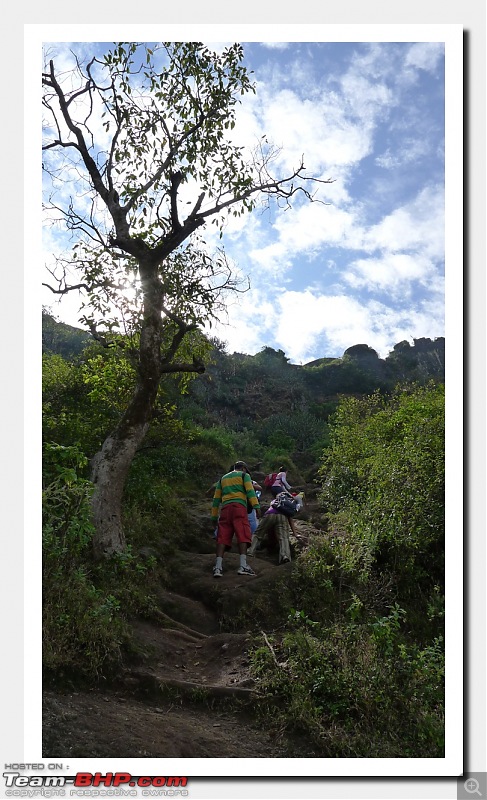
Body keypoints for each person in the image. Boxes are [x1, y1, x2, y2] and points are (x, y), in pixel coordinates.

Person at [211, 461, 260, 578]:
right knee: (242, 533)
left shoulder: (223, 478)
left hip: (225, 509)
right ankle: (243, 566)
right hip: (239, 507)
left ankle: (218, 567)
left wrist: (213, 516)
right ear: (243, 468)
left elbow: (216, 498)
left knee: (222, 536)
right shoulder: (244, 476)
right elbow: (250, 492)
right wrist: (257, 507)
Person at [247, 498, 297, 565]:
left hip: (270, 514)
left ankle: (250, 551)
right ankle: (285, 556)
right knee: (283, 538)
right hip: (282, 517)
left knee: (257, 534)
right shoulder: (288, 505)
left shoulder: (276, 500)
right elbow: (290, 519)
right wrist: (295, 533)